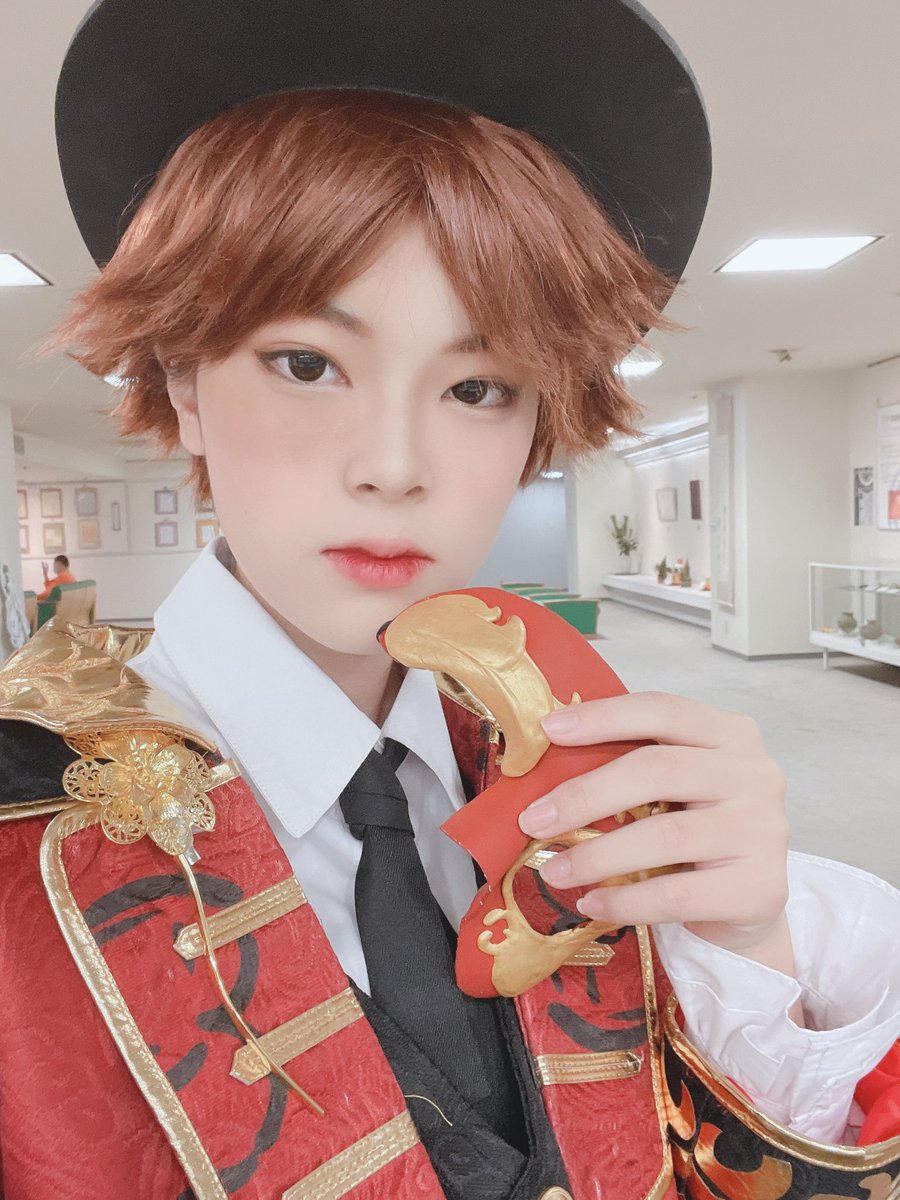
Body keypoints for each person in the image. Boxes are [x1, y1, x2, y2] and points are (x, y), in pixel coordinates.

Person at [0, 2, 897, 1198]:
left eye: (478, 387)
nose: (394, 466)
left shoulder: (586, 785)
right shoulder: (22, 837)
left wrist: (748, 947)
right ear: (185, 381)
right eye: (307, 363)